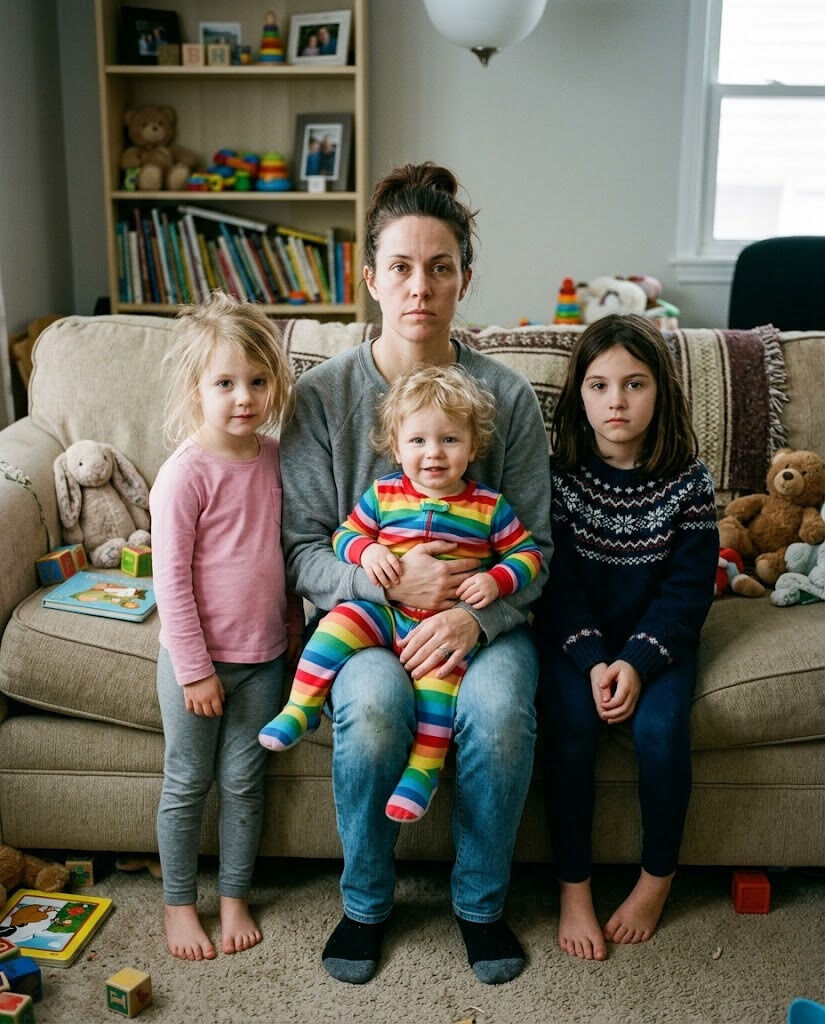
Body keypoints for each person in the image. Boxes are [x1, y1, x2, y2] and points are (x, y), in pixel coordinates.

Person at [279, 162, 552, 985]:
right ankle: (365, 903)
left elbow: (537, 549)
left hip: (482, 623)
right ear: (370, 277)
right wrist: (386, 584)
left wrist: (476, 616)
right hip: (367, 620)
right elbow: (302, 550)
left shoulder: (506, 396)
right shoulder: (322, 396)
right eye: (399, 266)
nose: (419, 287)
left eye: (439, 267)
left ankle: (481, 904)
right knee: (370, 710)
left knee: (498, 715)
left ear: (463, 280)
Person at [260, 364, 543, 825]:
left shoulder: (489, 506)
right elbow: (343, 537)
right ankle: (301, 707)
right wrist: (368, 552)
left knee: (439, 690)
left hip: (445, 626)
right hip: (384, 612)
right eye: (418, 441)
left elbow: (528, 555)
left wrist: (496, 581)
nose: (433, 453)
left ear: (474, 447)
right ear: (395, 447)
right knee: (336, 625)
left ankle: (423, 772)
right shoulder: (383, 494)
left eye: (449, 440)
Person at [534, 313, 718, 962]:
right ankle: (574, 887)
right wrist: (592, 661)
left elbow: (687, 592)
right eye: (600, 385)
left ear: (660, 392)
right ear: (578, 397)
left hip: (656, 642)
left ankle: (655, 879)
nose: (616, 400)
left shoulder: (687, 481)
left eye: (634, 384)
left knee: (661, 732)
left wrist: (636, 663)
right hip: (575, 644)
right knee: (568, 727)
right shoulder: (559, 478)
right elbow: (555, 587)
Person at [151, 291, 303, 961]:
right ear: (196, 390)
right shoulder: (183, 476)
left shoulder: (275, 460)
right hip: (199, 666)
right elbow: (171, 583)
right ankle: (179, 904)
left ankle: (235, 895)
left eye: (258, 381)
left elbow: (284, 557)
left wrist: (292, 636)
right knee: (188, 783)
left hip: (264, 659)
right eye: (225, 383)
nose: (244, 397)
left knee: (245, 782)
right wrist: (194, 670)